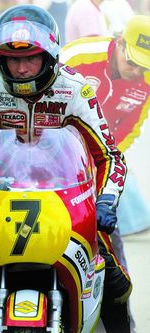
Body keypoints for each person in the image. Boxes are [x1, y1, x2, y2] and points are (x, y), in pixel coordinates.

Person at [0, 4, 132, 333]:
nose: (22, 69)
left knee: (115, 281)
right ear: (0, 60)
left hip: (65, 197)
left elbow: (109, 155)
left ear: (50, 56)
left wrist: (107, 201)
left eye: (31, 58)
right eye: (13, 59)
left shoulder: (76, 88)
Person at [61, 14, 150, 331]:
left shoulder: (146, 83)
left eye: (145, 67)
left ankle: (120, 320)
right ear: (121, 42)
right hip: (52, 159)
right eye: (134, 62)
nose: (138, 72)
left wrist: (102, 164)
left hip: (98, 167)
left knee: (110, 241)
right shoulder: (78, 56)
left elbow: (129, 131)